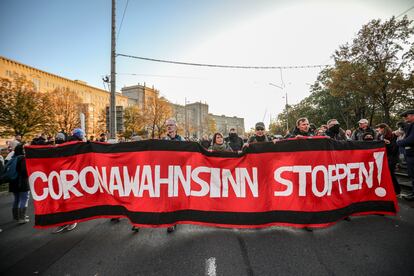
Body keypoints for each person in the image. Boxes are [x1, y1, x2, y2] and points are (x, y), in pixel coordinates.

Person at [376, 123, 401, 196]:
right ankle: (390, 189)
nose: (378, 130)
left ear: (383, 128)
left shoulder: (392, 136)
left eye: (379, 128)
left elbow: (394, 148)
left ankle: (397, 190)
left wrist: (387, 143)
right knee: (386, 174)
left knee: (391, 174)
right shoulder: (380, 136)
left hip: (391, 158)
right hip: (383, 157)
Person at [8, 144, 30, 224]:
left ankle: (16, 216)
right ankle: (22, 218)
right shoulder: (22, 159)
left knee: (16, 199)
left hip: (13, 182)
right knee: (24, 199)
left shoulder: (13, 158)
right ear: (22, 150)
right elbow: (24, 172)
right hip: (21, 182)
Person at [396, 110, 414, 201]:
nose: (405, 118)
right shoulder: (410, 125)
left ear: (412, 115)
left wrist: (399, 142)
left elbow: (411, 139)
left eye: (406, 116)